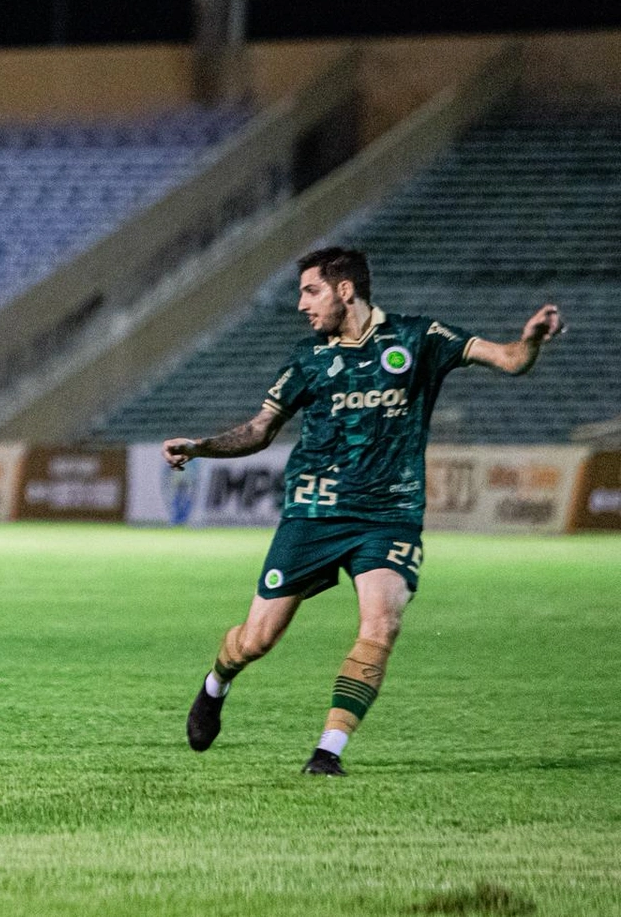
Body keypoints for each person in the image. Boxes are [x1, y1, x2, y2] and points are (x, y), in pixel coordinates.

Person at [163, 247, 564, 776]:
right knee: (256, 640)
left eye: (311, 291)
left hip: (389, 514)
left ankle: (328, 751)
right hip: (314, 513)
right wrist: (200, 446)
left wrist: (530, 340)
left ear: (344, 289)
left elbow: (510, 360)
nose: (302, 305)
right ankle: (217, 683)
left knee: (381, 626)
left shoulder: (422, 338)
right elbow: (260, 430)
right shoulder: (308, 359)